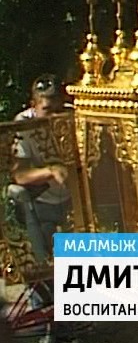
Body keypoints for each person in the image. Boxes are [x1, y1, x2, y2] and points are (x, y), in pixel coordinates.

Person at [11, 74, 70, 263]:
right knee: (50, 261)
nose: (54, 117)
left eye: (58, 110)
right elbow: (19, 175)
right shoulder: (23, 124)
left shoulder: (72, 117)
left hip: (76, 201)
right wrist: (50, 171)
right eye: (47, 110)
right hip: (43, 204)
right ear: (33, 106)